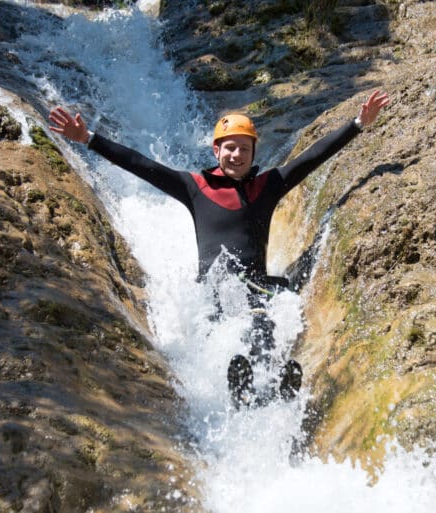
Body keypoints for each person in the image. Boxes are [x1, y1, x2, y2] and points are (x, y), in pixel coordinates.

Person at [49, 90, 391, 408]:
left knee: (264, 324)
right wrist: (88, 139)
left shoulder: (267, 187)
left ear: (253, 152)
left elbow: (313, 157)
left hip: (257, 287)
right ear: (216, 150)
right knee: (225, 313)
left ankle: (273, 391)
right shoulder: (194, 187)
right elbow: (141, 165)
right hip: (215, 291)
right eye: (229, 147)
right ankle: (238, 391)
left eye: (244, 148)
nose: (236, 154)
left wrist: (358, 124)